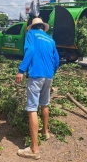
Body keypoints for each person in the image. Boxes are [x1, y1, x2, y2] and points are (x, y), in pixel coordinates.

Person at [15, 18, 60, 160]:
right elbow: (57, 59)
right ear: (43, 27)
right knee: (44, 103)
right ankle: (45, 132)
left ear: (32, 26)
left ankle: (34, 149)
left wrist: (21, 70)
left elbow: (30, 51)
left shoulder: (31, 34)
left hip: (36, 75)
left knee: (32, 108)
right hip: (48, 75)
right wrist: (51, 72)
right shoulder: (50, 39)